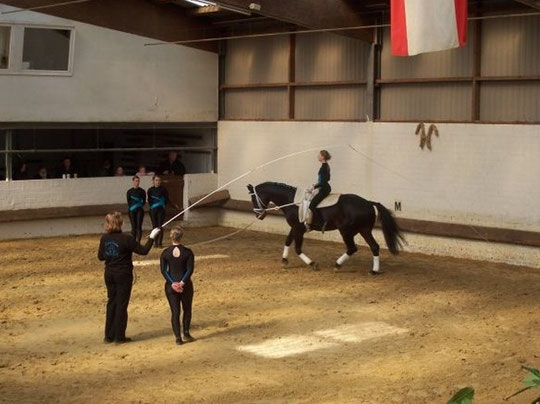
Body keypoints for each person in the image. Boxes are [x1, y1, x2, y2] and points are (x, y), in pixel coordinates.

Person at [98, 212, 161, 344]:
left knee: (112, 302)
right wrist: (152, 238)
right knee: (121, 304)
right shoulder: (127, 238)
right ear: (121, 223)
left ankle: (108, 336)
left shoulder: (104, 238)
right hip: (123, 274)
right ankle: (119, 336)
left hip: (109, 273)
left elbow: (101, 257)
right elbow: (143, 251)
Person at [160, 226, 195, 345]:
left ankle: (177, 338)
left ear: (171, 236)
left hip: (171, 286)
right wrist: (182, 283)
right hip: (185, 285)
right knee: (187, 309)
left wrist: (173, 283)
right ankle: (186, 333)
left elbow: (164, 271)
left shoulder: (165, 252)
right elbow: (189, 269)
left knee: (175, 312)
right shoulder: (188, 252)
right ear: (181, 236)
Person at [305, 150, 332, 232]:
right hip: (324, 187)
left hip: (324, 189)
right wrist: (316, 185)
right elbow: (327, 179)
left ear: (323, 157)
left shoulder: (323, 167)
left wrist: (313, 187)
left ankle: (321, 223)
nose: (318, 156)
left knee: (312, 206)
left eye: (319, 155)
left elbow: (323, 182)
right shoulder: (326, 166)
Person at [147, 175, 168, 248]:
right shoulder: (150, 190)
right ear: (153, 181)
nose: (157, 182)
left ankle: (160, 243)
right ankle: (155, 242)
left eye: (159, 180)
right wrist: (153, 207)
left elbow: (166, 199)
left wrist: (162, 205)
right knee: (154, 226)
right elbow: (149, 200)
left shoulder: (163, 189)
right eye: (156, 180)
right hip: (153, 210)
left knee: (160, 226)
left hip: (161, 210)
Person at [126, 176, 146, 243]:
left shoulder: (142, 191)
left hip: (140, 210)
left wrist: (139, 206)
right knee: (133, 226)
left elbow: (144, 201)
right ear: (133, 181)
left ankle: (138, 242)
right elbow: (128, 201)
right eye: (136, 181)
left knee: (139, 226)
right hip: (132, 210)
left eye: (138, 181)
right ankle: (133, 242)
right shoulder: (129, 191)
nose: (137, 182)